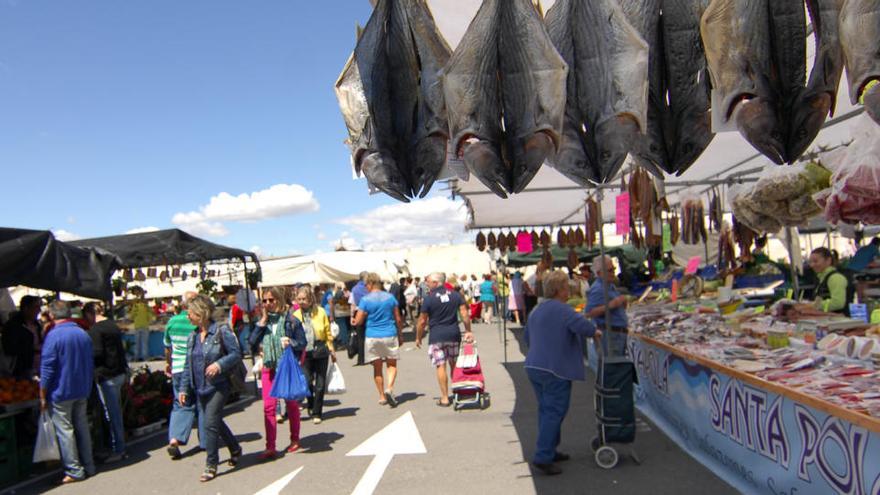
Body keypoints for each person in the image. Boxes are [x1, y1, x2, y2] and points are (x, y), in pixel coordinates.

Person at [524, 271, 599, 475]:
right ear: (559, 290)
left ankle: (550, 449)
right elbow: (584, 327)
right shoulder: (562, 310)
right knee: (555, 410)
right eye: (567, 288)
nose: (569, 291)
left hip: (534, 365)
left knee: (546, 410)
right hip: (553, 367)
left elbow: (527, 337)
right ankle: (543, 455)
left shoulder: (537, 309)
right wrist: (596, 332)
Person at [179, 295, 243, 482]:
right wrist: (183, 389)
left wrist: (219, 365)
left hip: (219, 386)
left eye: (190, 313)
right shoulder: (192, 337)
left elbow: (236, 354)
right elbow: (186, 366)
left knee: (209, 424)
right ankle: (235, 448)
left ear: (201, 313)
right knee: (215, 422)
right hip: (200, 387)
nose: (187, 316)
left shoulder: (221, 331)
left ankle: (211, 463)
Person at [39, 300, 95, 484]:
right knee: (82, 426)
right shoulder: (83, 333)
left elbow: (47, 368)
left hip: (61, 390)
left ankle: (74, 469)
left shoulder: (54, 336)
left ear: (53, 315)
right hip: (81, 388)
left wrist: (42, 392)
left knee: (65, 430)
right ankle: (89, 465)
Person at [248, 287, 307, 459]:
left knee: (291, 404)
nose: (267, 304)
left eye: (271, 300)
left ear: (279, 300)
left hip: (285, 366)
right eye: (264, 301)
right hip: (269, 366)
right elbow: (251, 343)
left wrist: (291, 342)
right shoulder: (262, 322)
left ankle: (295, 439)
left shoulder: (290, 320)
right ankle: (270, 446)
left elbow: (302, 342)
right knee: (268, 407)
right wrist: (262, 322)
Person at [416, 273, 474, 407]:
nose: (427, 285)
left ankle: (444, 397)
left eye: (429, 282)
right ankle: (458, 392)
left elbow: (422, 320)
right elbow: (464, 314)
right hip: (453, 334)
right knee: (454, 364)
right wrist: (468, 330)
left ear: (436, 283)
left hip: (437, 336)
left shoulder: (429, 299)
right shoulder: (455, 295)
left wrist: (418, 337)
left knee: (440, 365)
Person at [83, 302, 129, 463]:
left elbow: (97, 353)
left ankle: (118, 448)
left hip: (106, 375)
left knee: (111, 414)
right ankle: (119, 446)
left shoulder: (95, 330)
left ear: (89, 314)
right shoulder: (113, 325)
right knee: (116, 412)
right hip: (119, 372)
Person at [353, 272, 404, 407]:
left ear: (370, 284)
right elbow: (398, 318)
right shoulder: (390, 298)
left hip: (372, 335)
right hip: (389, 333)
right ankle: (390, 388)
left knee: (377, 367)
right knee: (391, 364)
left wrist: (355, 320)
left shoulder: (365, 300)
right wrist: (400, 334)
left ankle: (381, 396)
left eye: (366, 285)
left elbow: (358, 321)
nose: (365, 288)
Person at [164, 292, 204, 459]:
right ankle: (205, 440)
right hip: (194, 368)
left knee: (180, 403)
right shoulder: (196, 322)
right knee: (201, 403)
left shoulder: (171, 322)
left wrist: (169, 363)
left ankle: (175, 438)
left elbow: (167, 347)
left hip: (178, 368)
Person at [293, 286, 335, 424]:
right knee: (306, 379)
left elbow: (327, 331)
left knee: (320, 384)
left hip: (321, 348)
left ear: (310, 299)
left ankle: (317, 412)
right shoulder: (295, 315)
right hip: (304, 350)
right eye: (299, 299)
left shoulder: (321, 312)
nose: (301, 302)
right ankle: (310, 402)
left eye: (304, 299)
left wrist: (331, 348)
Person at [585, 256, 629, 357]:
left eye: (614, 269)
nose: (613, 272)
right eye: (610, 270)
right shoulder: (598, 289)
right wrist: (611, 305)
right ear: (600, 273)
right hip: (610, 337)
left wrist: (622, 303)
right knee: (614, 368)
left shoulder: (610, 285)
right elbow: (589, 312)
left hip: (617, 335)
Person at [1, 295, 41, 379]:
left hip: (36, 367)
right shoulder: (13, 325)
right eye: (36, 307)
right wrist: (32, 348)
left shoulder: (37, 325)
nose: (39, 310)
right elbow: (9, 348)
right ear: (26, 308)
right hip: (19, 369)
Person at [810, 247, 852, 314]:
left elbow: (838, 303)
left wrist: (813, 305)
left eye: (815, 261)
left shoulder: (835, 278)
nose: (812, 265)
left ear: (828, 261)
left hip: (840, 320)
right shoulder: (822, 278)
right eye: (811, 262)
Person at [349, 272, 370, 365]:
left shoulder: (354, 289)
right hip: (369, 312)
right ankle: (374, 358)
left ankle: (361, 360)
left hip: (358, 313)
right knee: (370, 336)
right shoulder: (369, 288)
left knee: (360, 337)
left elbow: (352, 304)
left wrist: (351, 317)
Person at [128, 294, 154, 361]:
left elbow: (131, 317)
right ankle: (145, 357)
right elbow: (151, 317)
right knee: (144, 343)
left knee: (137, 343)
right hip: (145, 326)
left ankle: (136, 357)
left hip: (137, 326)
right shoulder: (146, 307)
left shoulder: (135, 306)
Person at [329, 282, 352, 350]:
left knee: (342, 329)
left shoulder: (336, 293)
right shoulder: (348, 293)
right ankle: (348, 342)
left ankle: (344, 343)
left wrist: (331, 315)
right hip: (347, 313)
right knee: (347, 329)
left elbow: (332, 304)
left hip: (339, 314)